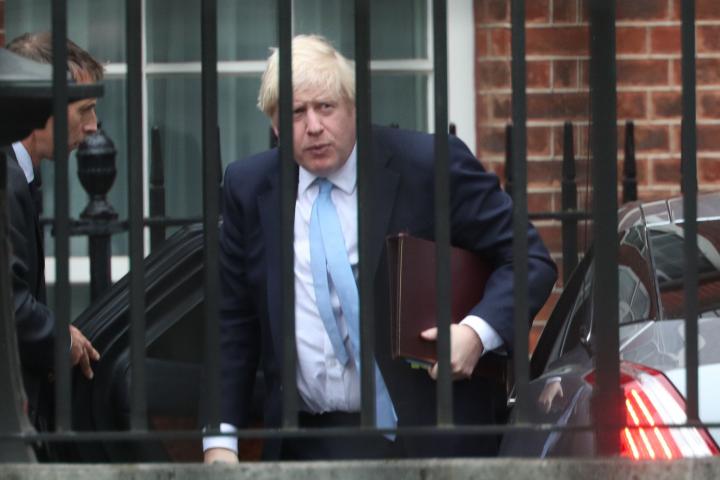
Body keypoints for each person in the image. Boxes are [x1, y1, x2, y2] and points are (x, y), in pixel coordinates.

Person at [203, 34, 557, 461]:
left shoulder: (428, 165)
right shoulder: (249, 187)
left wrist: (475, 334)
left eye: (326, 107)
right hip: (306, 443)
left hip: (427, 441)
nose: (313, 126)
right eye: (296, 113)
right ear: (276, 126)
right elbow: (233, 322)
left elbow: (528, 259)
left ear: (354, 107)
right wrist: (220, 441)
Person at [4, 32, 102, 437]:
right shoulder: (7, 179)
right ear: (41, 105)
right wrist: (61, 339)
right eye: (85, 109)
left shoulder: (20, 173)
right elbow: (9, 303)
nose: (93, 127)